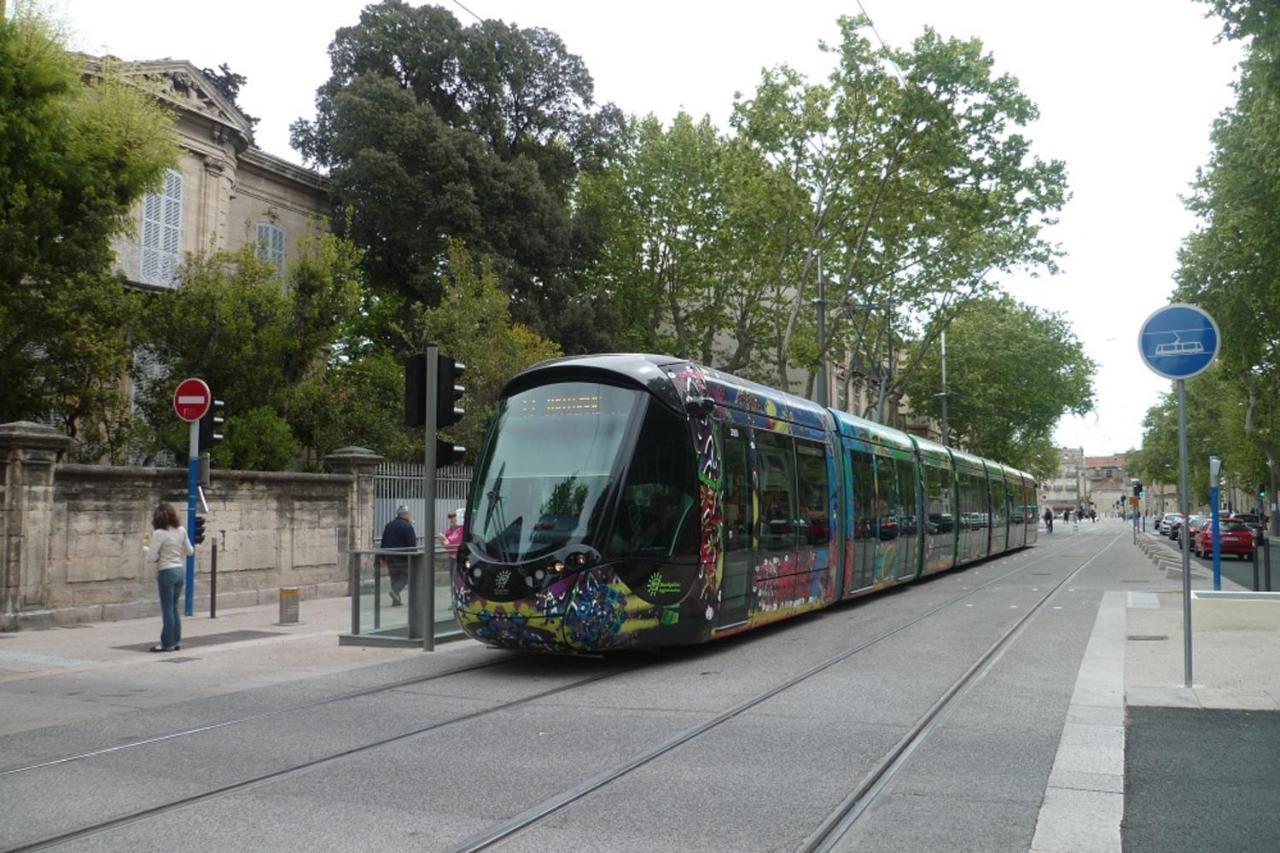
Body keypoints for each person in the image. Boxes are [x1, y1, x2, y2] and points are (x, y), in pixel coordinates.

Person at [142, 502, 194, 652]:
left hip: (166, 572)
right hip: (179, 571)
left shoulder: (159, 533)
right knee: (174, 607)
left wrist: (145, 549)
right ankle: (176, 641)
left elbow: (152, 558)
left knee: (167, 609)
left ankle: (166, 643)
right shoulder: (181, 530)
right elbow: (190, 551)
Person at [378, 505, 416, 606]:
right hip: (402, 557)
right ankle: (395, 591)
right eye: (409, 513)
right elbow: (412, 543)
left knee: (394, 577)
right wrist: (415, 556)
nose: (410, 515)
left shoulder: (389, 525)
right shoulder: (407, 526)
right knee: (408, 575)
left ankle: (396, 601)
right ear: (406, 514)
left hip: (390, 556)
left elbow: (384, 540)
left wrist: (382, 556)